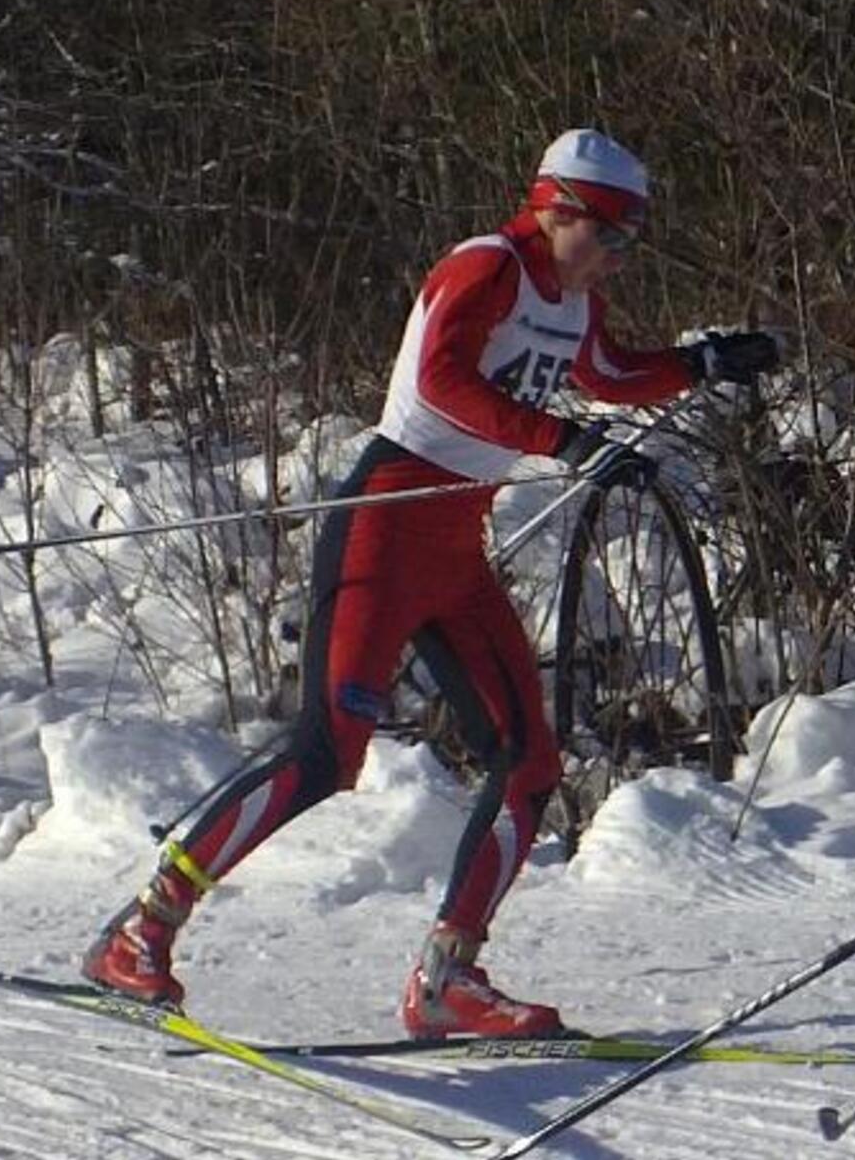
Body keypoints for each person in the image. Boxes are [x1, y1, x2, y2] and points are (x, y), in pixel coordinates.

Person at [82, 127, 778, 1037]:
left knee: (529, 762)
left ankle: (449, 976)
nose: (614, 258)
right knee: (327, 753)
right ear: (558, 210)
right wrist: (558, 440)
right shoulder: (486, 266)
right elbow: (442, 382)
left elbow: (605, 375)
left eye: (627, 244)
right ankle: (141, 930)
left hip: (454, 542)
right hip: (384, 518)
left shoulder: (568, 300)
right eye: (608, 236)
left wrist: (700, 363)